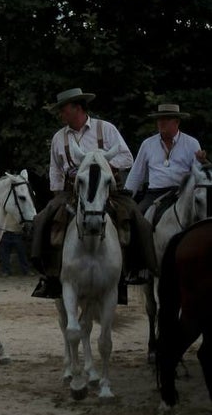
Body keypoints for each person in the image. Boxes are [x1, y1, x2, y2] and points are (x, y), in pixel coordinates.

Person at [30, 87, 152, 300]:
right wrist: (56, 195)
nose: (61, 114)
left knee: (137, 218)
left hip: (107, 189)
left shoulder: (105, 129)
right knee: (42, 219)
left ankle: (138, 268)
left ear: (78, 108)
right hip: (72, 190)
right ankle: (48, 275)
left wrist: (103, 164)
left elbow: (127, 158)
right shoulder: (59, 137)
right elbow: (55, 169)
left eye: (64, 110)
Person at [124, 103, 207, 214]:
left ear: (177, 121)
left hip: (181, 194)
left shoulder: (192, 143)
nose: (161, 123)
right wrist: (126, 198)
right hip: (154, 194)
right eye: (159, 119)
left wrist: (202, 163)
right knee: (137, 219)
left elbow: (198, 175)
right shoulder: (147, 144)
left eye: (167, 119)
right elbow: (136, 174)